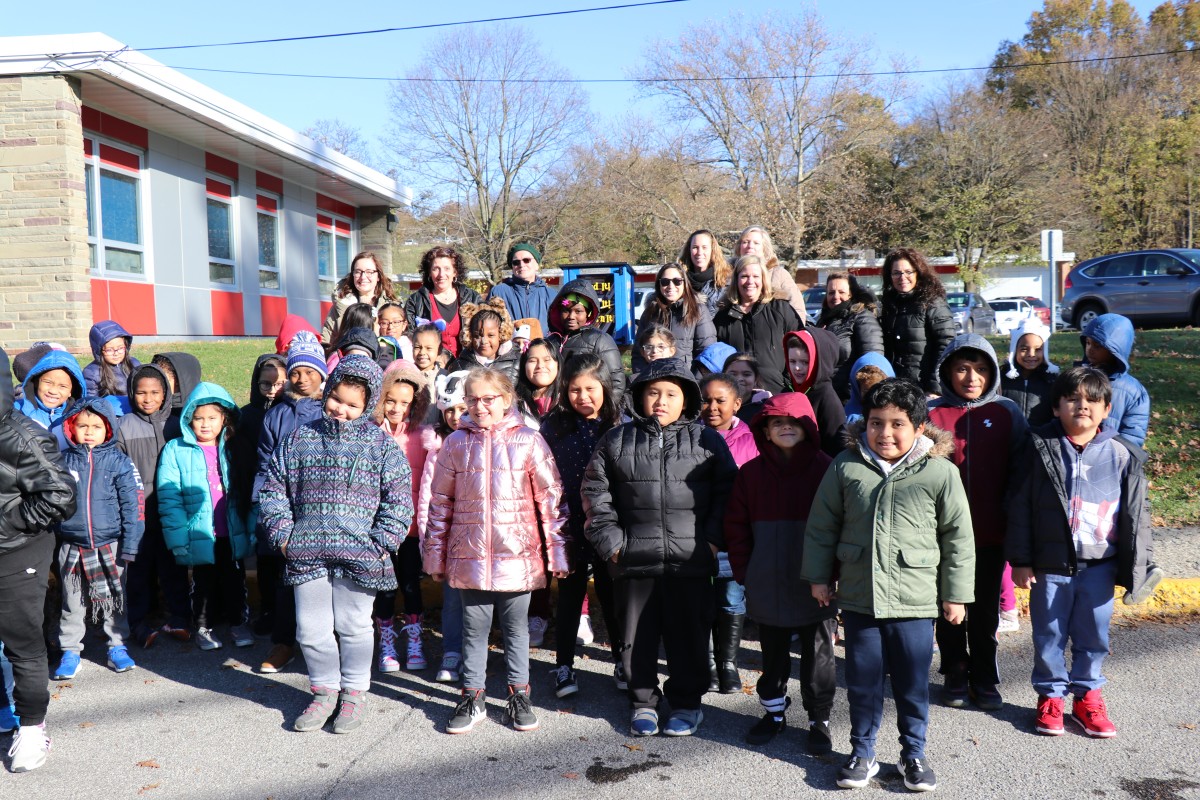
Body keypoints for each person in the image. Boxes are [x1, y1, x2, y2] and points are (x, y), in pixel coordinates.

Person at [802, 379, 975, 792]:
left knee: (912, 684)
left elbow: (957, 536)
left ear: (919, 427)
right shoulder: (846, 466)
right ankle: (863, 753)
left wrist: (955, 594)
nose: (885, 433)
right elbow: (822, 527)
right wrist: (819, 577)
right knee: (862, 682)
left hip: (915, 601)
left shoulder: (940, 472)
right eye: (876, 423)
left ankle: (913, 752)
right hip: (862, 599)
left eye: (897, 424)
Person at [582, 359, 737, 738]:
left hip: (692, 560)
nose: (661, 401)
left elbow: (728, 494)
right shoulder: (617, 440)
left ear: (686, 400)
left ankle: (686, 704)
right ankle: (643, 702)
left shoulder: (707, 440)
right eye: (653, 393)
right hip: (634, 559)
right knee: (638, 637)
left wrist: (713, 542)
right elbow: (595, 495)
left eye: (671, 394)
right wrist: (614, 545)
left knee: (690, 636)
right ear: (639, 396)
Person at [260, 358, 413, 734]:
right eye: (336, 400)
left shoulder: (381, 447)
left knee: (354, 626)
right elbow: (273, 489)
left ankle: (354, 691)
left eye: (352, 405)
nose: (341, 410)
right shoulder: (299, 439)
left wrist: (381, 543)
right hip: (305, 551)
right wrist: (283, 538)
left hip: (360, 554)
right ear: (326, 393)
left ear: (367, 407)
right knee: (311, 629)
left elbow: (398, 499)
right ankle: (324, 689)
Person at [1007, 367, 1160, 738]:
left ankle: (1088, 695)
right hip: (1049, 565)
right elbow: (1019, 505)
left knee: (1094, 636)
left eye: (1092, 400)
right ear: (1056, 406)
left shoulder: (1123, 454)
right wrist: (1022, 561)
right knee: (1049, 635)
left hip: (1100, 566)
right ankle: (1051, 696)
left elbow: (1138, 517)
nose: (1082, 406)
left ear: (1107, 409)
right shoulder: (1039, 446)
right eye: (1072, 399)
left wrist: (1138, 567)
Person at [424, 368, 569, 735]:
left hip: (517, 557)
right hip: (469, 558)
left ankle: (519, 695)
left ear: (507, 400)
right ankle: (472, 696)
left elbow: (552, 502)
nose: (479, 405)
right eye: (472, 399)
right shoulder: (456, 443)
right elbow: (439, 503)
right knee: (474, 631)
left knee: (516, 630)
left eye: (488, 398)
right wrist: (435, 556)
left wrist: (559, 555)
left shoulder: (529, 442)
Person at [725, 392, 836, 753]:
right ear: (765, 431)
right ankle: (773, 712)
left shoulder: (827, 469)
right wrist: (745, 572)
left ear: (809, 427)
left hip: (815, 583)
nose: (785, 427)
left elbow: (841, 526)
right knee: (772, 655)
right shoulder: (751, 474)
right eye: (776, 422)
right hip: (766, 580)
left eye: (793, 421)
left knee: (818, 654)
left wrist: (834, 575)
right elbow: (737, 528)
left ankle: (819, 718)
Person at [928, 334, 1027, 711]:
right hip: (942, 536)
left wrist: (1013, 523)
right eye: (963, 369)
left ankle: (984, 675)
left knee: (984, 610)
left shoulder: (1006, 411)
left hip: (990, 532)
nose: (972, 377)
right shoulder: (931, 414)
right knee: (948, 607)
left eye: (982, 369)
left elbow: (1020, 471)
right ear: (948, 371)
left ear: (993, 372)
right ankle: (955, 670)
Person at [0, 349, 77, 773]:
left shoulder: (23, 435)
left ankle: (31, 729)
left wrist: (12, 523)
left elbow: (61, 494)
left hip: (17, 551)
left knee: (22, 644)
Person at [541, 355, 623, 699]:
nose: (583, 396)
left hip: (609, 523)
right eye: (575, 389)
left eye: (591, 388)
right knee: (571, 596)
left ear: (604, 387)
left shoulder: (619, 425)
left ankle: (623, 660)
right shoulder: (554, 426)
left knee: (612, 593)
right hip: (569, 522)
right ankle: (564, 666)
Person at [51, 398, 144, 681]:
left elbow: (134, 505)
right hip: (72, 545)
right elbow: (53, 503)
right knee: (72, 600)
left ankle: (116, 645)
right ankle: (70, 650)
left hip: (110, 544)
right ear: (71, 427)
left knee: (115, 598)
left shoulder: (120, 462)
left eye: (96, 426)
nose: (89, 431)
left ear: (108, 429)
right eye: (82, 426)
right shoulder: (63, 462)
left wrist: (130, 545)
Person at [253, 331, 328, 674]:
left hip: (323, 509)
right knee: (285, 580)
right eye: (296, 372)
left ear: (322, 374)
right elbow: (265, 464)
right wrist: (265, 507)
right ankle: (284, 642)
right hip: (285, 510)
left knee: (326, 581)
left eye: (310, 372)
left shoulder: (329, 411)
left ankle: (328, 643)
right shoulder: (275, 415)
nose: (302, 379)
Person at [157, 383, 252, 651]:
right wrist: (178, 538)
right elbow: (169, 497)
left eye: (212, 418)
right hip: (199, 534)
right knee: (202, 585)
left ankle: (238, 623)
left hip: (231, 532)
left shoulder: (236, 448)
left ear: (225, 418)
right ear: (189, 419)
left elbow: (249, 492)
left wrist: (252, 529)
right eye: (198, 418)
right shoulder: (176, 449)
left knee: (235, 581)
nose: (205, 424)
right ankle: (202, 626)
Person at [117, 362, 193, 647]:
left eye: (154, 392)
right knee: (138, 572)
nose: (147, 399)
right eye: (141, 392)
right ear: (131, 393)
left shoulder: (177, 424)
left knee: (173, 569)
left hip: (171, 512)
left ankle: (181, 619)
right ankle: (138, 623)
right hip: (136, 514)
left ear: (166, 394)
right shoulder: (123, 426)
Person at [698, 373, 758, 694]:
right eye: (706, 399)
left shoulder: (751, 441)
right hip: (697, 537)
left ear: (737, 404)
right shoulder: (690, 436)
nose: (712, 407)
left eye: (720, 401)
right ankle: (706, 661)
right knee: (701, 601)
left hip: (735, 539)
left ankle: (728, 663)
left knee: (732, 599)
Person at [371, 360, 431, 673]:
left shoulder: (423, 437)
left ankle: (415, 638)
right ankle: (387, 641)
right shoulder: (371, 436)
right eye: (390, 400)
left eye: (405, 403)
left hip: (410, 531)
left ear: (416, 405)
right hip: (380, 529)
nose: (396, 408)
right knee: (384, 587)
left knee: (410, 585)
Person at [416, 371, 471, 684]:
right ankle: (451, 650)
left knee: (477, 603)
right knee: (452, 600)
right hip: (448, 538)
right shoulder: (437, 448)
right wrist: (429, 541)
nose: (455, 416)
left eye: (461, 408)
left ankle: (472, 652)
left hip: (476, 536)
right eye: (449, 409)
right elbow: (428, 498)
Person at [230, 354, 287, 636]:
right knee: (264, 556)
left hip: (286, 493)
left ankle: (285, 610)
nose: (272, 390)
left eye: (278, 384)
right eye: (266, 384)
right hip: (257, 492)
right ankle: (267, 609)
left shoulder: (290, 412)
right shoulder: (248, 415)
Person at [713, 254, 802, 395]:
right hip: (737, 397)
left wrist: (787, 382)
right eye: (744, 276)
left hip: (778, 392)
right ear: (736, 280)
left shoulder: (781, 309)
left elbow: (800, 346)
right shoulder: (723, 317)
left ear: (763, 279)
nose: (750, 281)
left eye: (755, 276)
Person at [879, 248, 955, 396]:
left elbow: (946, 345)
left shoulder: (933, 303)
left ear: (918, 272)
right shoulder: (889, 305)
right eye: (896, 273)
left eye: (908, 272)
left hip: (924, 389)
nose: (902, 277)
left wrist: (935, 387)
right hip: (895, 387)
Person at [547, 278, 627, 405]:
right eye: (566, 310)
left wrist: (601, 414)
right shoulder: (550, 341)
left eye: (578, 311)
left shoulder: (600, 340)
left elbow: (616, 381)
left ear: (588, 314)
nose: (571, 316)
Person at [632, 263, 716, 374]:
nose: (671, 286)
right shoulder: (650, 313)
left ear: (684, 283)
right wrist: (644, 381)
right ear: (659, 284)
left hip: (686, 382)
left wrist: (694, 384)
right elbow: (639, 353)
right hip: (654, 382)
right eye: (665, 282)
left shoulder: (698, 311)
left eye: (677, 281)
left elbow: (707, 353)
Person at [1079, 314, 1150, 446]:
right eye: (1088, 343)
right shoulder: (1077, 379)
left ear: (1115, 349)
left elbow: (1133, 435)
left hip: (1112, 459)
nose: (1090, 349)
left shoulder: (1133, 391)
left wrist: (1114, 456)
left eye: (1097, 345)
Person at [404, 246, 484, 359]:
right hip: (431, 366)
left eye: (447, 268)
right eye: (436, 269)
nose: (441, 274)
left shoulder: (472, 297)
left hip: (468, 364)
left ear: (455, 272)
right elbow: (409, 336)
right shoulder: (416, 301)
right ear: (429, 273)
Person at [816, 272, 884, 402]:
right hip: (826, 396)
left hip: (850, 399)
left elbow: (873, 361)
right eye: (831, 292)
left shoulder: (862, 318)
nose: (835, 297)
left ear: (850, 294)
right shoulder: (823, 321)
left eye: (841, 292)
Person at [783, 327, 848, 458]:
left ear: (818, 363)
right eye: (792, 361)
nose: (797, 368)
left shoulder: (826, 397)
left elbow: (837, 448)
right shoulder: (787, 392)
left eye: (805, 362)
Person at [321, 250, 398, 345]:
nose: (363, 277)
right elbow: (326, 341)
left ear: (378, 276)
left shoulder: (391, 306)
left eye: (369, 272)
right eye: (358, 272)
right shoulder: (341, 305)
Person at [15, 349, 85, 449]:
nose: (53, 391)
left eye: (63, 386)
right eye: (48, 382)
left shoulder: (80, 417)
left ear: (71, 391)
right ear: (36, 381)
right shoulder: (16, 411)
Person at [734, 225, 807, 321]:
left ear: (765, 249)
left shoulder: (780, 274)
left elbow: (798, 311)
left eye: (756, 243)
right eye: (745, 242)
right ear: (739, 247)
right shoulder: (726, 275)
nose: (750, 246)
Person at [1000, 318, 1058, 428]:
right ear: (1014, 350)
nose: (1031, 354)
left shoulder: (1052, 381)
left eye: (1038, 349)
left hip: (1041, 441)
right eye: (1024, 349)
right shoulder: (1001, 379)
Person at [488, 243, 556, 332]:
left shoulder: (551, 295)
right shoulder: (498, 292)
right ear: (512, 267)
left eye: (526, 260)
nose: (521, 265)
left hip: (544, 345)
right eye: (516, 262)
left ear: (537, 265)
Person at [450, 299, 521, 384]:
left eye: (490, 335)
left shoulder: (518, 362)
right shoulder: (460, 365)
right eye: (477, 336)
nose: (484, 341)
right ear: (470, 336)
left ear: (501, 334)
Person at [82, 320, 140, 415]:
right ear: (99, 350)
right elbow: (90, 402)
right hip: (111, 414)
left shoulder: (134, 363)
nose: (116, 353)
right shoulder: (92, 372)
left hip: (136, 412)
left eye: (120, 348)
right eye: (109, 350)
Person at [679, 229, 733, 315]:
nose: (700, 252)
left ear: (712, 250)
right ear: (689, 250)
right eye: (695, 247)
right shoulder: (678, 280)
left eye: (704, 247)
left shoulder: (728, 281)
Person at [514, 338, 561, 421]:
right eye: (532, 361)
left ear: (558, 364)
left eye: (547, 360)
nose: (540, 365)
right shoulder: (514, 405)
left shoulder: (569, 401)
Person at [843, 352, 895, 426]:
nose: (871, 397)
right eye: (866, 391)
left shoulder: (897, 414)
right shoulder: (849, 418)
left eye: (877, 390)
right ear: (857, 388)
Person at [725, 352, 771, 423]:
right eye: (733, 374)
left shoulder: (766, 408)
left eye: (746, 374)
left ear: (756, 379)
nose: (739, 379)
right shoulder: (714, 405)